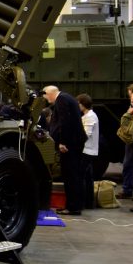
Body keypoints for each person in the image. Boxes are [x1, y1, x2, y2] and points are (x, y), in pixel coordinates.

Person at [43, 85, 86, 215]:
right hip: (74, 142)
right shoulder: (68, 98)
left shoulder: (61, 100)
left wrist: (63, 141)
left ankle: (73, 207)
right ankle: (74, 205)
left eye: (46, 96)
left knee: (70, 175)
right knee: (74, 175)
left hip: (69, 144)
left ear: (49, 93)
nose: (46, 99)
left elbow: (64, 122)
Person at [77, 93, 99, 209]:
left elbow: (86, 134)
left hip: (87, 150)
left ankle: (81, 202)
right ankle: (89, 202)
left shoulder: (90, 116)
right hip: (87, 149)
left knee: (81, 176)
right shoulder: (88, 115)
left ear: (82, 104)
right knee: (88, 177)